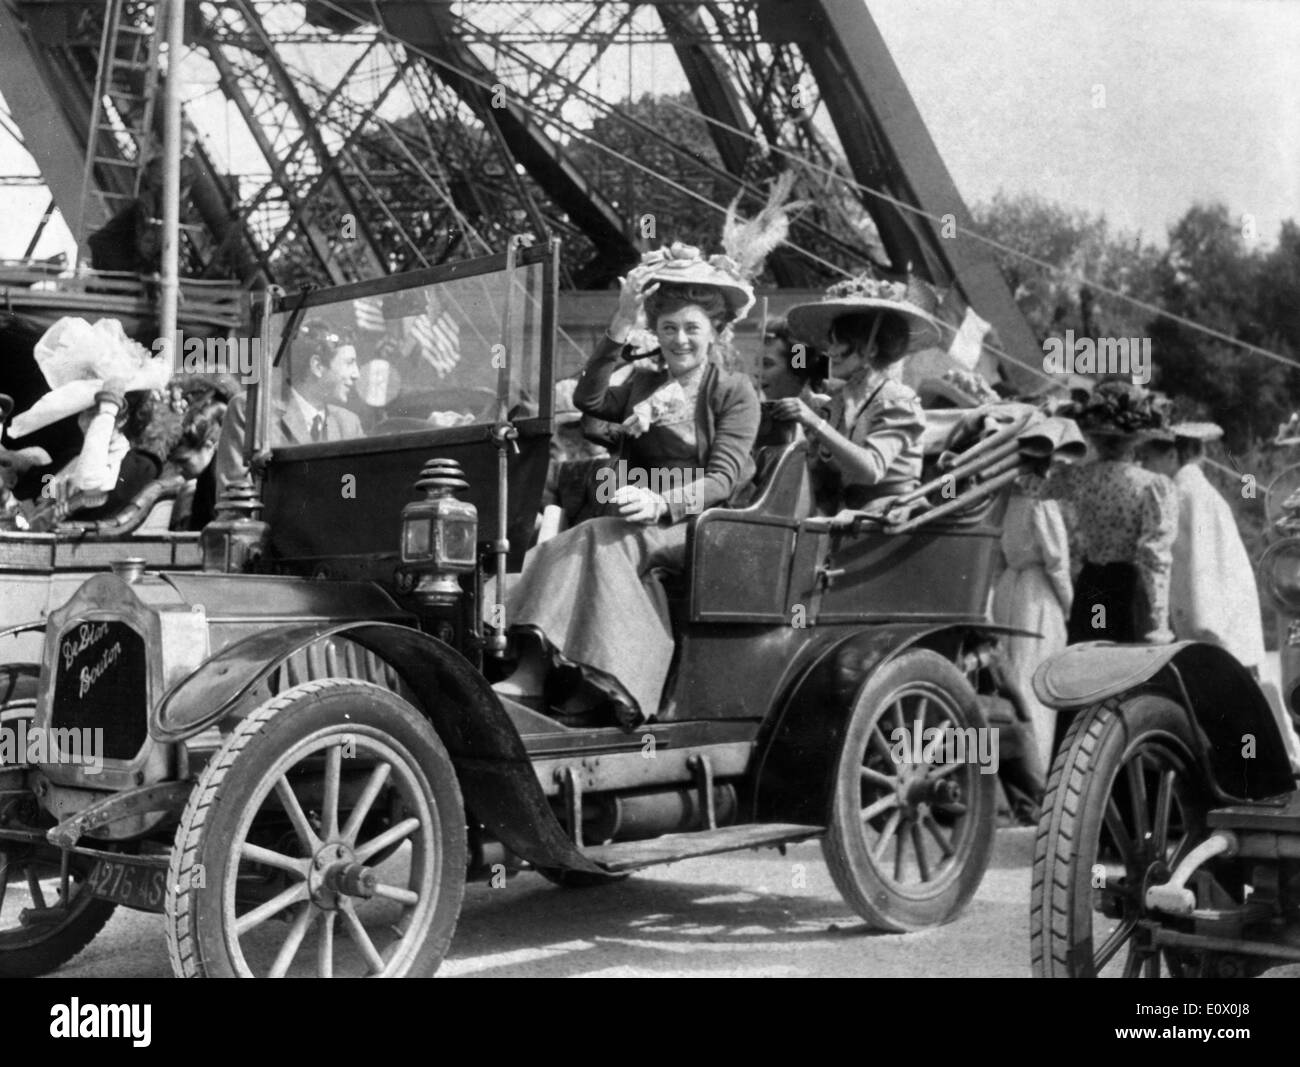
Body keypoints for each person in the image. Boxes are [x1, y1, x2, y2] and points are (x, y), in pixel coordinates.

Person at [494, 242, 764, 727]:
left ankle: (609, 682)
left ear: (716, 332)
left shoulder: (733, 391)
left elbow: (722, 480)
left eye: (692, 329)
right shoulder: (642, 382)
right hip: (638, 509)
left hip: (703, 524)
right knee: (578, 538)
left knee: (599, 537)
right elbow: (588, 399)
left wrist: (662, 503)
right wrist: (620, 323)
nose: (680, 340)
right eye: (667, 329)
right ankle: (542, 673)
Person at [772, 273, 936, 511]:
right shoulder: (837, 402)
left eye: (840, 342)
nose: (830, 351)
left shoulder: (898, 401)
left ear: (871, 348)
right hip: (843, 515)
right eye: (831, 342)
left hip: (888, 517)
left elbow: (871, 470)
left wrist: (815, 423)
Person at [1045, 381, 1179, 645]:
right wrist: (1159, 621)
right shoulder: (1151, 485)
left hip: (1092, 587)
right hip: (1127, 589)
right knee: (1124, 666)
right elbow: (1154, 556)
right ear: (1136, 441)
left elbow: (1036, 487)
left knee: (1093, 654)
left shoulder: (1078, 477)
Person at [1140, 421, 1265, 671]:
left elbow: (1199, 564)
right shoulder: (1198, 492)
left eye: (1148, 458)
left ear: (1172, 455)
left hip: (1209, 624)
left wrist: (1200, 628)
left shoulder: (1185, 495)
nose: (1145, 466)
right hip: (1224, 619)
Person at [214, 320, 363, 501]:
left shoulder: (349, 424)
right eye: (349, 363)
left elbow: (357, 494)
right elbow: (233, 497)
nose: (357, 374)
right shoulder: (251, 410)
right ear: (317, 366)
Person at [992, 465, 1073, 773]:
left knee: (1014, 674)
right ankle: (1038, 765)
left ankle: (1018, 766)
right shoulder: (1042, 502)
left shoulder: (1005, 501)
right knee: (1036, 675)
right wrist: (1070, 606)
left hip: (1008, 588)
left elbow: (997, 558)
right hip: (1036, 592)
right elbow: (1057, 562)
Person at [168, 395, 228, 531]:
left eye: (184, 461)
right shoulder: (206, 475)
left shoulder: (215, 481)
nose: (179, 469)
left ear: (208, 446)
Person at [758, 317, 823, 401]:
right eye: (757, 364)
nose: (757, 373)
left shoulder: (824, 408)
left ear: (798, 369)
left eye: (766, 364)